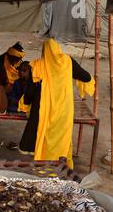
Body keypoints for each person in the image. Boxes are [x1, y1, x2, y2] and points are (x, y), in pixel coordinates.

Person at [18, 39, 94, 168]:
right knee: (61, 136)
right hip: (63, 109)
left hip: (42, 110)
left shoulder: (37, 65)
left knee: (44, 135)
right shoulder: (67, 61)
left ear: (44, 51)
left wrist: (25, 103)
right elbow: (86, 77)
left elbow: (30, 92)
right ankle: (59, 163)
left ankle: (43, 161)